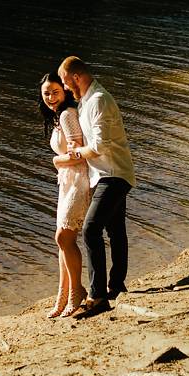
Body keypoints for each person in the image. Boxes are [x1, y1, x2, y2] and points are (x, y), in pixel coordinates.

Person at [57, 56, 136, 316]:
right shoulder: (86, 103)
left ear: (76, 77)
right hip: (104, 174)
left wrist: (75, 154)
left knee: (91, 229)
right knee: (115, 230)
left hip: (113, 173)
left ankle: (98, 296)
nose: (66, 89)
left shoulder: (99, 100)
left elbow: (100, 146)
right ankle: (116, 285)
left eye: (67, 83)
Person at [38, 72, 90, 318]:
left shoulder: (68, 115)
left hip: (78, 180)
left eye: (55, 92)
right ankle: (64, 294)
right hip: (67, 182)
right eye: (46, 93)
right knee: (62, 241)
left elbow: (78, 152)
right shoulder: (59, 116)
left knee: (64, 238)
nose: (50, 97)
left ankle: (76, 292)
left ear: (66, 92)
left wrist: (56, 160)